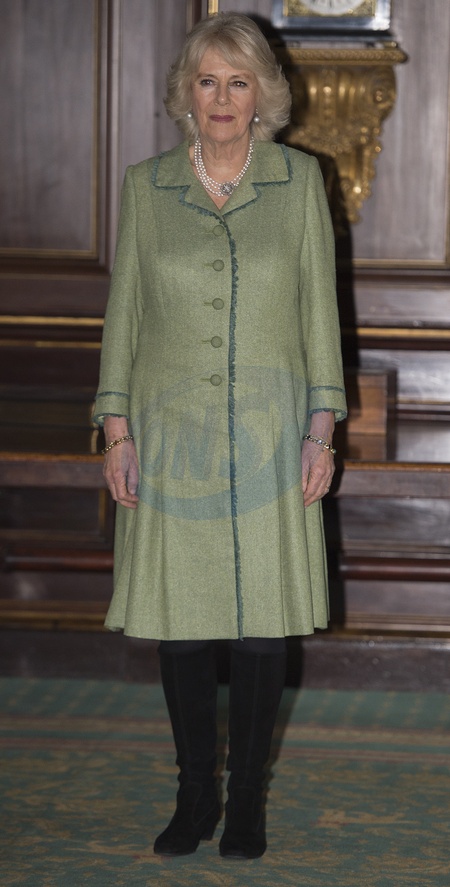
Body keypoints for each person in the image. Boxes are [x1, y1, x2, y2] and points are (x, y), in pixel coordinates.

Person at [93, 12, 347, 860]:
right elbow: (124, 316)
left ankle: (246, 802)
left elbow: (320, 317)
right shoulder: (147, 186)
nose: (223, 97)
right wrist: (116, 430)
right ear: (186, 93)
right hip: (172, 438)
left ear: (263, 94)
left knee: (262, 623)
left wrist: (321, 431)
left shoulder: (299, 182)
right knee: (186, 622)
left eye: (239, 81)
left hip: (273, 435)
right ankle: (194, 790)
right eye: (208, 80)